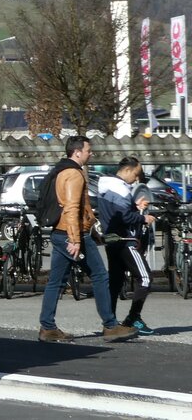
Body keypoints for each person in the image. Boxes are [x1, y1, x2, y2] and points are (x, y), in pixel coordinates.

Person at [37, 135, 137, 343]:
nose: (91, 153)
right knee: (100, 275)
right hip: (72, 235)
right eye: (88, 150)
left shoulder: (60, 170)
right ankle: (110, 325)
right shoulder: (74, 174)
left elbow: (81, 209)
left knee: (56, 282)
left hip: (61, 232)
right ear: (77, 152)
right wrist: (75, 239)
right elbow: (73, 208)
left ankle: (47, 327)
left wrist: (92, 231)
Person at [97, 156, 157, 334]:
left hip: (112, 239)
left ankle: (110, 322)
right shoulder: (121, 189)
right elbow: (125, 217)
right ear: (128, 170)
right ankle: (133, 317)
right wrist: (143, 217)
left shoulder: (105, 184)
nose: (136, 179)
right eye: (136, 175)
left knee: (115, 282)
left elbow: (117, 211)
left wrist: (134, 206)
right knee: (145, 278)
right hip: (126, 240)